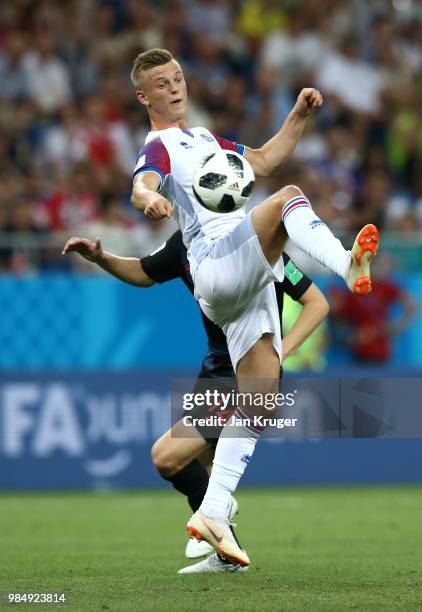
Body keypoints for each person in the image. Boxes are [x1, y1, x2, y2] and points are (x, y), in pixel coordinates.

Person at [129, 48, 379, 567]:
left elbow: (262, 159)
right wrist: (148, 198)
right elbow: (144, 181)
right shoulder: (161, 146)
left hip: (246, 281)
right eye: (161, 83)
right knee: (287, 197)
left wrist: (298, 116)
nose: (174, 88)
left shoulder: (205, 140)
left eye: (178, 77)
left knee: (260, 401)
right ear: (143, 95)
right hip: (218, 262)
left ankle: (215, 515)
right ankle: (346, 263)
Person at [62, 229, 329, 573]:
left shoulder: (256, 246)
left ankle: (216, 510)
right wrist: (101, 258)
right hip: (215, 367)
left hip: (245, 374)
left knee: (166, 457)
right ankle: (225, 551)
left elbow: (317, 302)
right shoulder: (184, 244)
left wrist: (281, 352)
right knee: (205, 464)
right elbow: (143, 272)